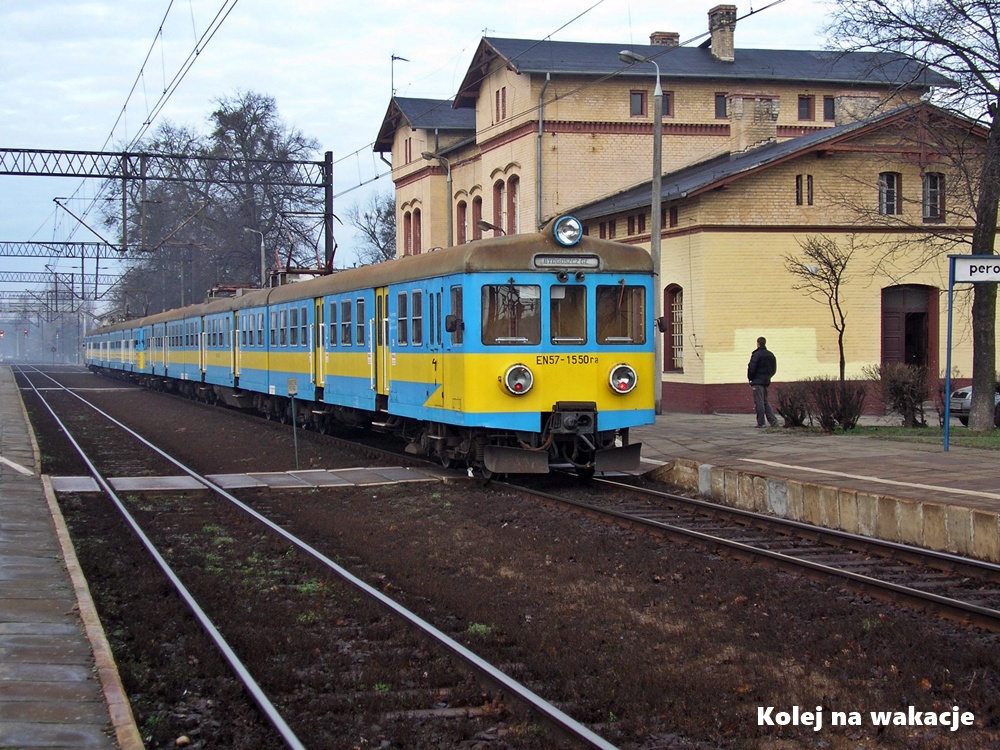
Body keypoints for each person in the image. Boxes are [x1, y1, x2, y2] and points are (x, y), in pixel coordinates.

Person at [747, 337, 779, 428]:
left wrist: (751, 379)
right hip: (766, 381)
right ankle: (773, 421)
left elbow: (751, 368)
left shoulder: (756, 355)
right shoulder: (770, 355)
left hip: (757, 381)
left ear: (758, 343)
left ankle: (761, 423)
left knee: (759, 402)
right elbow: (774, 369)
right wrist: (768, 377)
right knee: (765, 401)